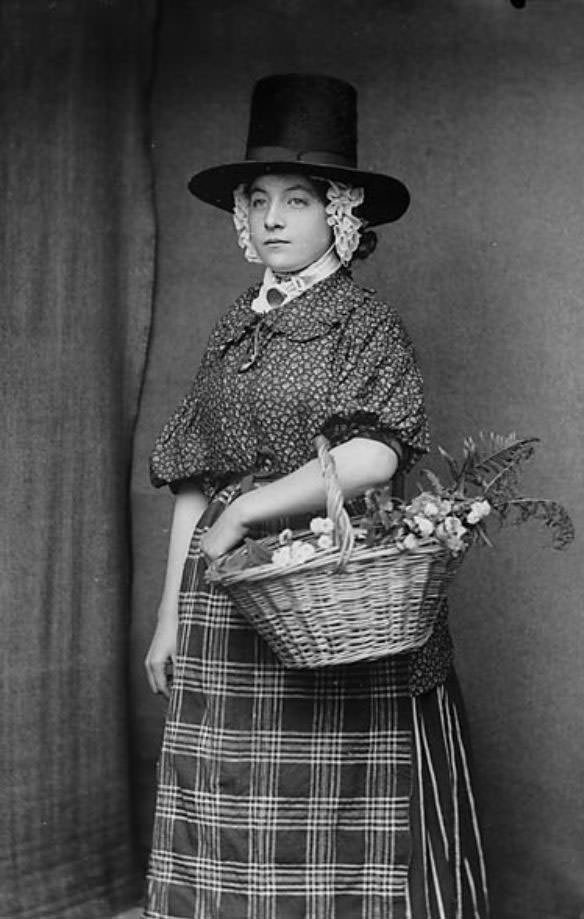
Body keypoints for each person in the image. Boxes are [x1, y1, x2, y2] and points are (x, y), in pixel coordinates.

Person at [143, 73, 489, 919]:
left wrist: (244, 513)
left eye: (296, 200)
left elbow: (374, 455)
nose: (270, 219)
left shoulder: (363, 322)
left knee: (341, 799)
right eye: (257, 200)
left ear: (339, 213)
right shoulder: (233, 329)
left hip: (332, 587)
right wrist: (166, 618)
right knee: (234, 806)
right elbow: (194, 472)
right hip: (224, 605)